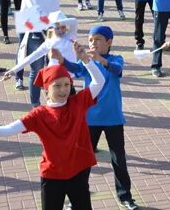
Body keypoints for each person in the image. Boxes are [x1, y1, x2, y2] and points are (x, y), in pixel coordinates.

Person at [0, 43, 106, 210]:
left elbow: (99, 81)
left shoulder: (78, 102)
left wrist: (87, 60)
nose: (63, 90)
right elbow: (8, 130)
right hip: (53, 175)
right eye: (57, 86)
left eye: (67, 84)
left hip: (79, 171)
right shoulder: (38, 115)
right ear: (46, 89)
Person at [59, 25, 139, 210]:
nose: (92, 43)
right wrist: (63, 59)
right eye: (90, 40)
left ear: (109, 42)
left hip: (113, 119)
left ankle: (125, 197)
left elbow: (116, 70)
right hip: (90, 119)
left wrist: (99, 59)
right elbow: (74, 69)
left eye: (97, 39)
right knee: (83, 160)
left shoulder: (116, 59)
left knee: (118, 159)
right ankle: (76, 198)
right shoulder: (87, 62)